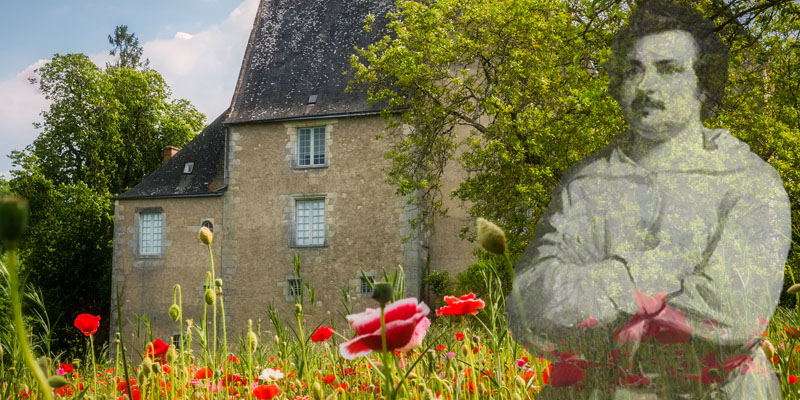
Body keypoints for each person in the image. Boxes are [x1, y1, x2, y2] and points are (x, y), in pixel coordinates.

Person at [506, 0, 791, 398]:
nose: (646, 86)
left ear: (703, 85)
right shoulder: (585, 185)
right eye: (633, 70)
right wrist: (629, 277)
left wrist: (604, 311)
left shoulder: (749, 181)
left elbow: (735, 314)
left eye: (669, 69)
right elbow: (530, 310)